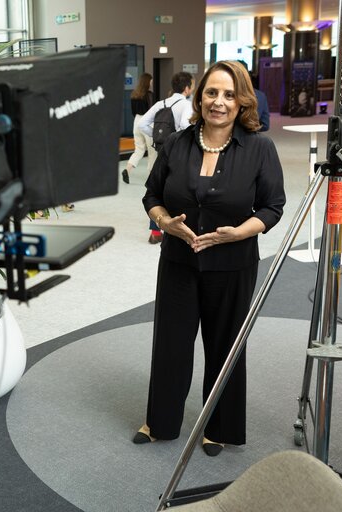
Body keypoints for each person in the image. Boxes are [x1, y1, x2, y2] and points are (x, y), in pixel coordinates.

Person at [135, 60, 286, 456]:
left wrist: (239, 232)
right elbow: (152, 195)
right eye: (212, 93)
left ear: (242, 102)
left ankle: (218, 427)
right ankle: (161, 421)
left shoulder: (259, 148)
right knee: (171, 343)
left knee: (225, 346)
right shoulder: (177, 144)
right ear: (199, 97)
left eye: (229, 94)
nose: (219, 102)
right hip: (179, 261)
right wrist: (165, 222)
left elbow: (273, 207)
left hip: (232, 265)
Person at [138, 71, 194, 243]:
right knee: (177, 187)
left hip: (161, 150)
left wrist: (158, 139)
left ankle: (155, 231)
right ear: (187, 88)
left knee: (156, 188)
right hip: (179, 151)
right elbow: (185, 124)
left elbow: (142, 124)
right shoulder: (185, 104)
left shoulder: (160, 103)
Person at [122, 73, 154, 184]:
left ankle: (127, 170)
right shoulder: (150, 95)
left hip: (137, 121)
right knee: (152, 151)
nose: (152, 82)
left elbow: (133, 112)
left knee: (139, 149)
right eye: (151, 80)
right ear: (147, 82)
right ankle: (151, 178)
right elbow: (152, 112)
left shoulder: (134, 95)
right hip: (148, 122)